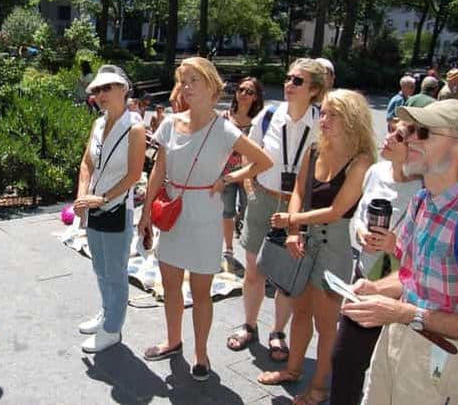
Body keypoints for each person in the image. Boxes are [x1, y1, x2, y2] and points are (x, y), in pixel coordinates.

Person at [343, 99, 458, 405]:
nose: (408, 138)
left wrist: (405, 313)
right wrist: (374, 288)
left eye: (423, 132)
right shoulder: (422, 201)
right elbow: (411, 276)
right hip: (395, 341)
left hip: (442, 357)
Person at [138, 57, 272, 381]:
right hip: (172, 210)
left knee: (201, 291)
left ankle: (201, 353)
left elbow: (263, 161)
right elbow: (159, 169)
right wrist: (145, 211)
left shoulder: (223, 128)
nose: (186, 87)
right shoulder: (170, 123)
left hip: (205, 217)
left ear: (212, 85)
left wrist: (228, 179)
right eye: (183, 80)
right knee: (170, 284)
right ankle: (173, 340)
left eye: (194, 80)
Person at [258, 89, 374, 405]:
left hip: (334, 249)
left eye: (332, 114)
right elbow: (298, 189)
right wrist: (294, 229)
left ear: (352, 119)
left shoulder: (361, 161)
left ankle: (320, 387)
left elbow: (337, 210)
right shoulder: (313, 150)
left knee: (326, 324)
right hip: (304, 240)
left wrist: (293, 219)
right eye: (323, 112)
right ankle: (294, 370)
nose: (324, 119)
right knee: (300, 312)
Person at [227, 58, 326, 362]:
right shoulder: (269, 115)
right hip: (264, 199)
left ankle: (277, 332)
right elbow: (249, 153)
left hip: (297, 207)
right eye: (287, 78)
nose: (288, 84)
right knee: (254, 271)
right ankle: (249, 324)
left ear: (314, 90)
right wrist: (248, 187)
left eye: (297, 81)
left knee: (285, 275)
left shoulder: (323, 123)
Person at [328, 123, 421, 405]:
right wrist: (360, 232)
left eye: (399, 136)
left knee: (389, 370)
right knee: (344, 359)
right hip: (366, 278)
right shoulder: (375, 172)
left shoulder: (424, 190)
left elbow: (428, 258)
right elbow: (357, 216)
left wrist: (395, 245)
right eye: (391, 128)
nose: (389, 136)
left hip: (402, 288)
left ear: (415, 148)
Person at [74, 65, 146, 353]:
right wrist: (82, 195)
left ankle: (113, 328)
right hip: (94, 206)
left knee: (115, 271)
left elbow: (133, 176)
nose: (101, 95)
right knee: (99, 266)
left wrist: (100, 198)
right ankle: (107, 312)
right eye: (97, 90)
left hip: (117, 209)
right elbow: (87, 163)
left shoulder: (135, 127)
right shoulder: (99, 124)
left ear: (123, 89)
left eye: (108, 88)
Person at [220, 77, 265, 268]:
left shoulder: (259, 121)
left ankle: (252, 252)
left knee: (250, 212)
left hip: (250, 175)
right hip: (226, 173)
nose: (244, 94)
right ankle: (228, 250)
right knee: (226, 212)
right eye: (241, 89)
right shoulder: (224, 117)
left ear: (256, 97)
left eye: (249, 92)